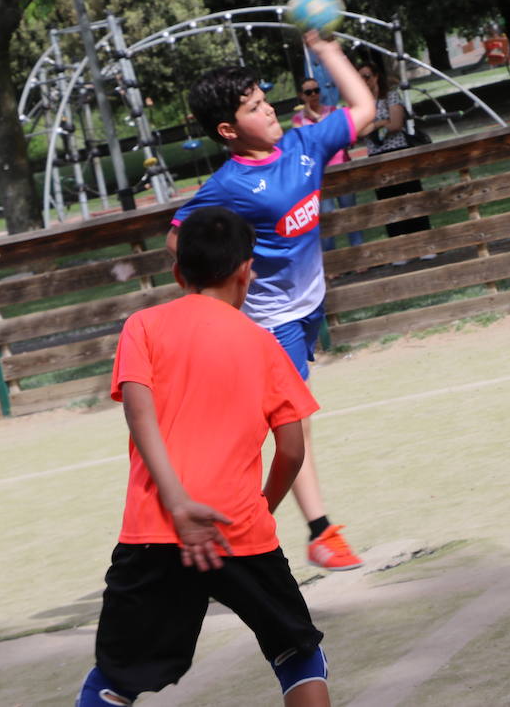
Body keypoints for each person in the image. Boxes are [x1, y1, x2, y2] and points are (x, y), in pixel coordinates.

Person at [76, 207, 330, 707]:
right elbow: (293, 448)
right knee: (298, 655)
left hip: (154, 530)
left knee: (115, 679)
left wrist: (177, 504)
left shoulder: (143, 326)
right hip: (238, 528)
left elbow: (139, 415)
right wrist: (261, 507)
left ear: (177, 273)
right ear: (245, 271)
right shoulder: (263, 344)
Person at [165, 31, 373, 571]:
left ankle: (229, 520)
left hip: (309, 309)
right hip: (269, 321)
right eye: (256, 108)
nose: (271, 111)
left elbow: (365, 107)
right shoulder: (227, 185)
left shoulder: (306, 146)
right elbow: (178, 239)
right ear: (229, 130)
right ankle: (317, 531)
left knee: (274, 427)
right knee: (294, 426)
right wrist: (211, 300)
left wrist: (327, 51)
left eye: (266, 100)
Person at [352, 48, 434, 262]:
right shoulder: (358, 105)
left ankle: (424, 245)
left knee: (411, 198)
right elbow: (357, 131)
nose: (364, 81)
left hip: (398, 153)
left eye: (367, 76)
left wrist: (374, 124)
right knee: (388, 204)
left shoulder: (390, 96)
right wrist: (380, 124)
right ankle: (399, 250)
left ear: (376, 76)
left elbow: (396, 124)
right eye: (359, 78)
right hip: (376, 158)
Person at [293, 76, 363, 252]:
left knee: (350, 215)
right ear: (302, 96)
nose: (314, 95)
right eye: (309, 92)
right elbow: (303, 146)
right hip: (319, 174)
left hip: (342, 168)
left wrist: (316, 119)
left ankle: (360, 256)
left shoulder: (332, 111)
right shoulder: (298, 120)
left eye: (316, 90)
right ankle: (333, 263)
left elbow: (336, 136)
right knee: (326, 218)